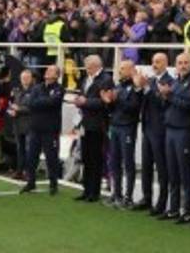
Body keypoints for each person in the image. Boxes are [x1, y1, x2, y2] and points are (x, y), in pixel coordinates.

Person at [160, 52, 190, 222]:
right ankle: (174, 208)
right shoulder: (175, 81)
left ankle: (187, 210)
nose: (183, 65)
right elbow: (168, 104)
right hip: (170, 129)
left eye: (185, 62)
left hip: (184, 131)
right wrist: (165, 96)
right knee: (172, 171)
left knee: (185, 171)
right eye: (180, 63)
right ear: (175, 65)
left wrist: (170, 96)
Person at [70, 54, 113, 202]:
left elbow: (104, 102)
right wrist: (79, 101)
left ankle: (94, 192)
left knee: (95, 158)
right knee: (86, 158)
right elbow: (83, 96)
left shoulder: (106, 79)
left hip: (97, 124)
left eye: (88, 66)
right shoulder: (86, 79)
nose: (86, 68)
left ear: (95, 65)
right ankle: (86, 190)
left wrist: (85, 102)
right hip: (85, 123)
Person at [134, 51, 171, 214]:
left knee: (161, 168)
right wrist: (138, 87)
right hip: (147, 127)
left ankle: (162, 202)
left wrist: (147, 88)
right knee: (146, 165)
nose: (154, 65)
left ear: (166, 63)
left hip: (160, 130)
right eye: (153, 62)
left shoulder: (169, 81)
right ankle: (146, 198)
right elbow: (141, 101)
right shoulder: (149, 80)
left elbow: (162, 103)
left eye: (158, 62)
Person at [107, 59, 144, 208]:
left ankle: (128, 196)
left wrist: (117, 100)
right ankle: (116, 193)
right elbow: (112, 109)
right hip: (115, 126)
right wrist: (109, 102)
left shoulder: (135, 87)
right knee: (114, 161)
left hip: (127, 127)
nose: (120, 71)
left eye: (123, 68)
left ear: (131, 70)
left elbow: (134, 107)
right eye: (120, 68)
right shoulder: (118, 86)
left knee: (128, 162)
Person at [21, 64, 64, 195]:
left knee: (51, 157)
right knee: (31, 156)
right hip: (35, 128)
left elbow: (53, 102)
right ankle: (31, 182)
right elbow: (30, 103)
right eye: (47, 69)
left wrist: (39, 102)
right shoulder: (37, 87)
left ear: (57, 75)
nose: (47, 71)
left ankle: (53, 184)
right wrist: (44, 101)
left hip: (50, 129)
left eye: (51, 70)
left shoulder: (59, 88)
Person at [9, 69, 35, 181]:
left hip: (29, 124)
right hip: (17, 123)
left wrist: (18, 109)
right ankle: (19, 171)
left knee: (29, 150)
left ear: (31, 78)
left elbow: (33, 107)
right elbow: (11, 104)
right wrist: (11, 111)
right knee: (20, 149)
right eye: (23, 78)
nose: (24, 80)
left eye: (27, 77)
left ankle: (28, 172)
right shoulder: (16, 90)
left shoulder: (35, 90)